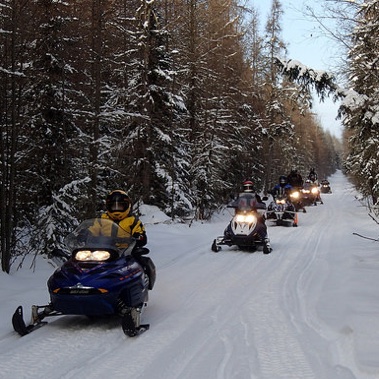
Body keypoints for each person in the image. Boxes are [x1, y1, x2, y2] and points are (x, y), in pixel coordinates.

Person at [89, 190, 154, 287]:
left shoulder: (132, 221)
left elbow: (141, 234)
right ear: (108, 207)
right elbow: (92, 230)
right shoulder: (102, 220)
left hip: (126, 251)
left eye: (119, 206)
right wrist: (85, 234)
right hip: (104, 250)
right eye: (113, 206)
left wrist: (138, 237)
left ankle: (141, 284)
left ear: (126, 206)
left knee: (139, 263)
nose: (116, 209)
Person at [233, 180, 272, 253]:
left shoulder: (256, 196)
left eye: (249, 187)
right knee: (233, 222)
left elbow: (260, 203)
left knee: (260, 224)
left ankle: (263, 238)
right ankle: (228, 235)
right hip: (242, 213)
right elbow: (236, 203)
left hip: (253, 214)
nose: (248, 188)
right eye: (246, 187)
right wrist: (234, 205)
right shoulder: (240, 196)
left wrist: (261, 206)